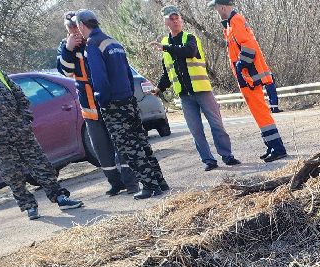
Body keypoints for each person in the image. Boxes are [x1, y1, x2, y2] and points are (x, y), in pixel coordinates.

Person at [0, 43, 84, 220]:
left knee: (41, 164)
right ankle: (29, 206)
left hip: (20, 130)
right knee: (12, 174)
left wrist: (25, 118)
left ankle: (60, 197)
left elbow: (19, 94)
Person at [74, 9, 170, 199]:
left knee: (129, 147)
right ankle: (159, 182)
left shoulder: (93, 44)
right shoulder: (113, 42)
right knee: (142, 144)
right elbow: (127, 73)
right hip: (129, 100)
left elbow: (99, 78)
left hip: (113, 105)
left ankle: (150, 187)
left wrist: (102, 100)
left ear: (82, 26)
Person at [57, 14, 138, 195]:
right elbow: (65, 71)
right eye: (70, 30)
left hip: (108, 100)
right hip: (89, 107)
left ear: (81, 26)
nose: (74, 33)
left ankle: (131, 181)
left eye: (75, 28)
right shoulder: (66, 47)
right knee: (101, 148)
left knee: (121, 144)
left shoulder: (94, 42)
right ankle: (115, 183)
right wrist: (68, 49)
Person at [156, 6, 240, 171]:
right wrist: (159, 88)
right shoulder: (165, 43)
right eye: (171, 19)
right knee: (196, 131)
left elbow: (189, 51)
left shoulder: (190, 38)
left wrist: (166, 48)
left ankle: (227, 156)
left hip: (202, 90)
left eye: (177, 18)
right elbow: (167, 71)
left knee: (217, 125)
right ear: (166, 22)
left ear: (181, 20)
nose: (175, 21)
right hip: (185, 96)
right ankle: (208, 160)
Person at [209, 0, 286, 161]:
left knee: (261, 112)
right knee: (259, 113)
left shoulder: (236, 20)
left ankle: (278, 148)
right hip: (246, 77)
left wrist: (240, 66)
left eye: (216, 8)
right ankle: (271, 145)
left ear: (222, 7)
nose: (216, 11)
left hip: (248, 77)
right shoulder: (230, 23)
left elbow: (248, 46)